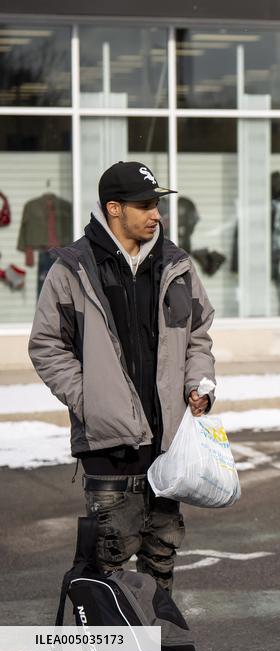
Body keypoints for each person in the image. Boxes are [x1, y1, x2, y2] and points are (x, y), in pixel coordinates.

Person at [29, 161, 216, 595]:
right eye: (145, 205)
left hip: (168, 453)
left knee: (162, 571)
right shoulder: (72, 269)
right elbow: (46, 346)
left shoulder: (176, 265)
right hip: (109, 453)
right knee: (108, 576)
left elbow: (199, 335)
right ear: (114, 208)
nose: (156, 215)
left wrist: (199, 382)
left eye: (157, 205)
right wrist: (89, 400)